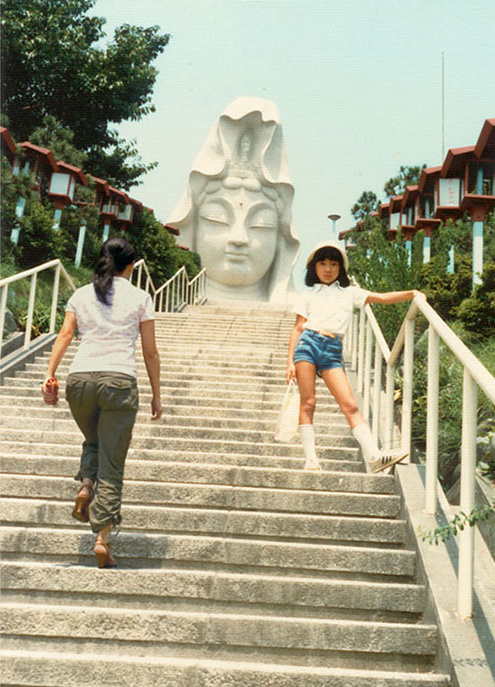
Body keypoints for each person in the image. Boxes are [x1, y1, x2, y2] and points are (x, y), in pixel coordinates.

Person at [42, 238, 162, 567]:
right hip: (118, 381)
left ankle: (84, 486)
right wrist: (157, 394)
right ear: (131, 266)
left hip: (79, 380)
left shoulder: (82, 293)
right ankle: (102, 538)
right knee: (112, 461)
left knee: (93, 439)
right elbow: (150, 351)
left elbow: (65, 335)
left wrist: (50, 374)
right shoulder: (140, 297)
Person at [286, 241, 424, 473]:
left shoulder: (350, 293)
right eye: (322, 264)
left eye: (333, 264)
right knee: (308, 402)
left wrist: (412, 294)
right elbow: (298, 328)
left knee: (349, 404)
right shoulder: (308, 295)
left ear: (341, 268)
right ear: (314, 268)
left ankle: (374, 456)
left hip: (332, 350)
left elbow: (381, 298)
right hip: (307, 345)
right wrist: (290, 361)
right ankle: (311, 460)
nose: (328, 269)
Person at [167, 97, 300, 302]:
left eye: (261, 225)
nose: (239, 239)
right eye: (216, 219)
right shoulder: (161, 302)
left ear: (280, 237)